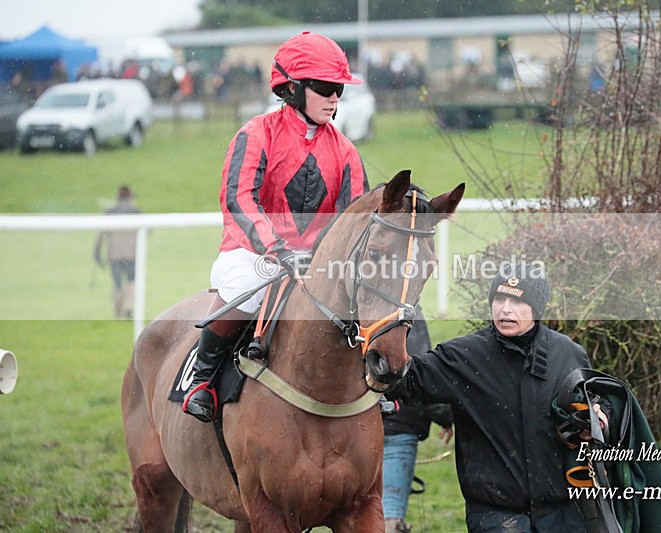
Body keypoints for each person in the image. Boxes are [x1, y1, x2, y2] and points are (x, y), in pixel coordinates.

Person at [183, 32, 369, 423]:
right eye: (325, 87)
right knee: (247, 291)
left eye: (339, 89)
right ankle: (203, 381)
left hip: (315, 262)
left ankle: (374, 384)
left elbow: (352, 218)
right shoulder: (256, 133)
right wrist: (278, 249)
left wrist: (325, 258)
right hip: (252, 254)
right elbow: (238, 198)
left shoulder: (347, 151)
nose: (335, 98)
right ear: (294, 88)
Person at [388, 262, 598, 532]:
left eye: (516, 300)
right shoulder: (465, 356)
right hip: (496, 517)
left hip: (564, 514)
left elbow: (595, 404)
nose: (505, 308)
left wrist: (597, 418)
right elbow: (404, 378)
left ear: (537, 308)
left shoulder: (568, 354)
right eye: (499, 298)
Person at [383, 309, 453, 533]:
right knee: (390, 518)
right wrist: (444, 417)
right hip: (400, 426)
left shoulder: (352, 302)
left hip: (355, 425)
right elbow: (421, 372)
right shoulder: (408, 309)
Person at [94, 185, 141, 320]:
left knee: (117, 284)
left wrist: (96, 254)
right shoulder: (136, 212)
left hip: (114, 254)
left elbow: (101, 234)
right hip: (132, 254)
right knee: (132, 281)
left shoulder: (110, 212)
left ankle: (117, 313)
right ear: (130, 197)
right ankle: (129, 306)